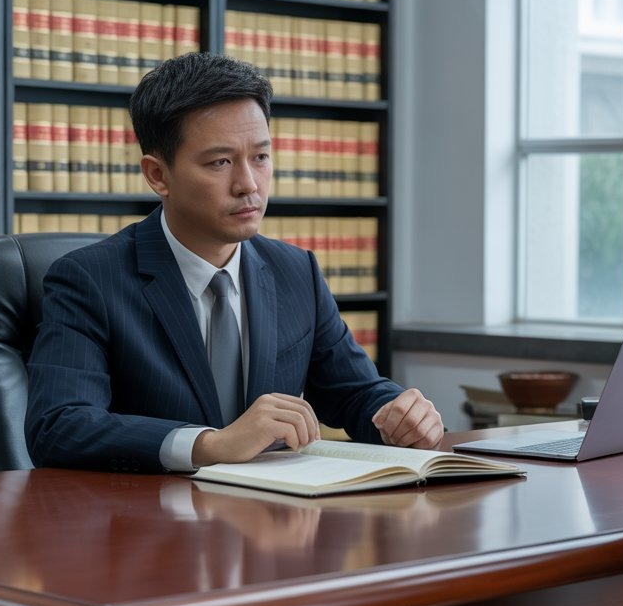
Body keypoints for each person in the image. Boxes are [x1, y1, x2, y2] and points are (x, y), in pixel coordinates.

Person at [27, 52, 443, 473]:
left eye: (260, 157)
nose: (248, 185)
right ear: (158, 175)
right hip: (149, 525)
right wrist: (210, 444)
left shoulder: (296, 271)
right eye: (220, 162)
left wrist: (399, 416)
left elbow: (355, 394)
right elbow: (59, 426)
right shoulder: (89, 278)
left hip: (270, 524)